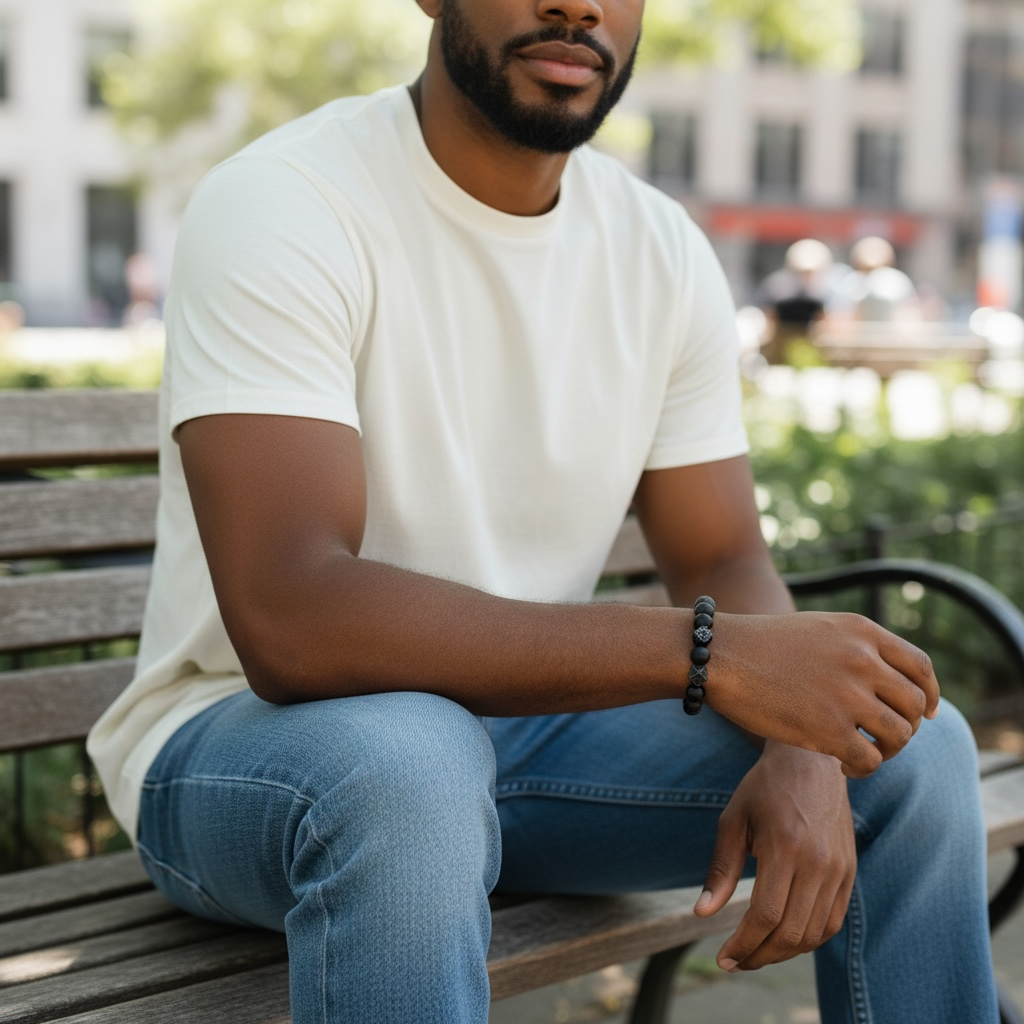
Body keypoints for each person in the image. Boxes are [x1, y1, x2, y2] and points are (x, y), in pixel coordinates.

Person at [87, 2, 998, 1022]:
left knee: (909, 749)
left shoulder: (657, 247)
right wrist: (710, 655)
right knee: (408, 762)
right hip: (254, 752)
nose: (575, 4)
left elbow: (720, 551)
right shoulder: (287, 200)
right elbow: (292, 616)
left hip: (526, 748)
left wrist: (805, 738)